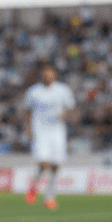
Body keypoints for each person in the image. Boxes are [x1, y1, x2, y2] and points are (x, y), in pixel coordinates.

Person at [23, 64, 75, 210]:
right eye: (45, 74)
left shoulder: (63, 90)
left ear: (55, 75)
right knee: (43, 163)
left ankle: (49, 197)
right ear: (42, 76)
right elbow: (27, 111)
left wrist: (65, 114)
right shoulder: (33, 92)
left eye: (50, 74)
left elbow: (70, 107)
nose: (47, 77)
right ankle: (34, 186)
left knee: (56, 165)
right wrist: (27, 128)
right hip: (40, 130)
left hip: (57, 131)